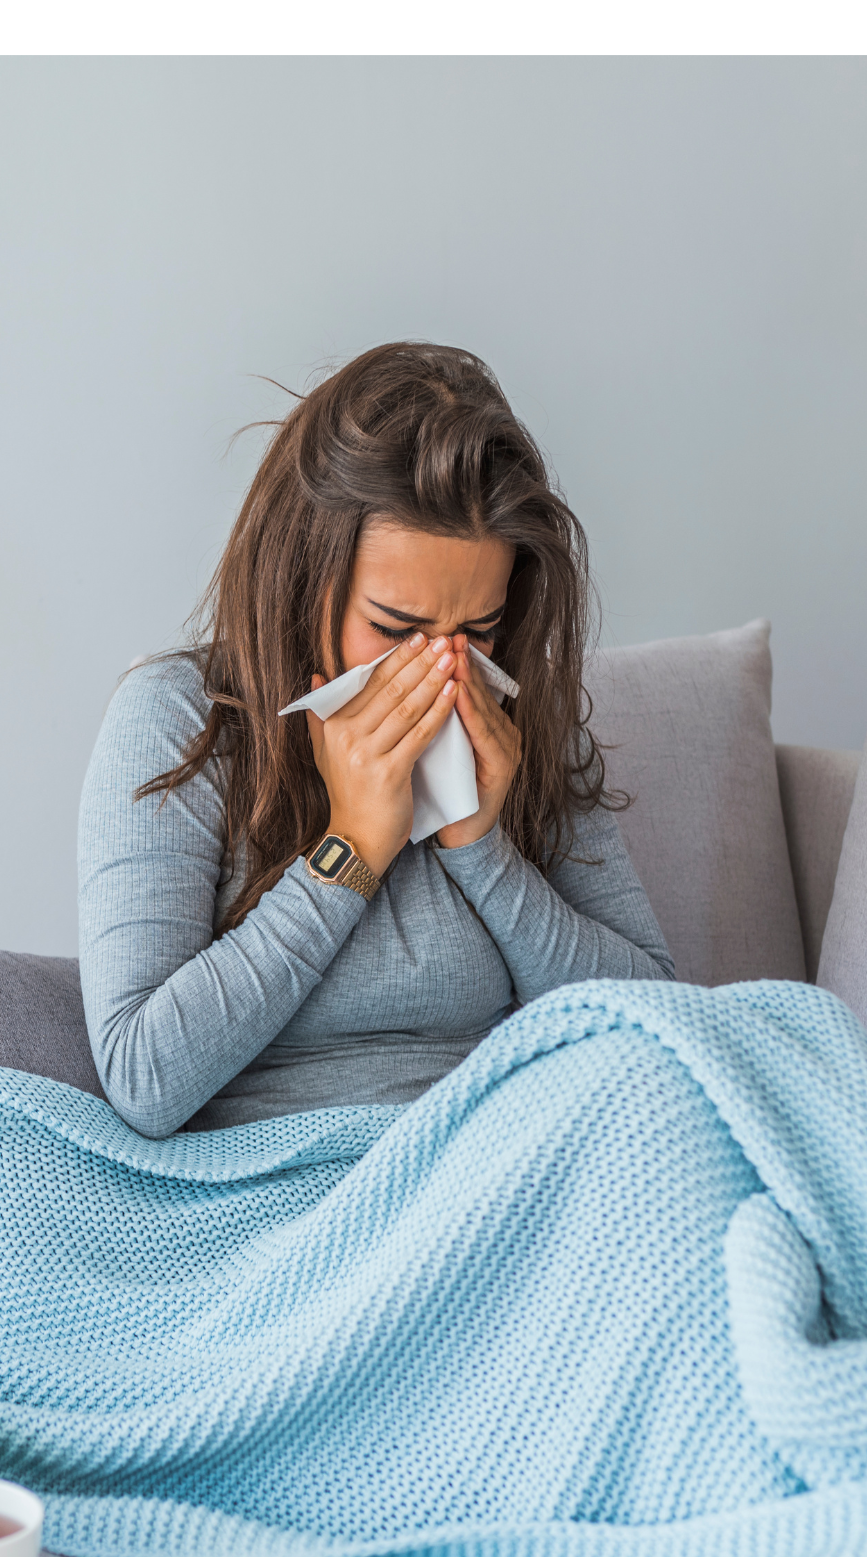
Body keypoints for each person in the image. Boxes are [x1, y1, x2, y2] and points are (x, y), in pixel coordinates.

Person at [78, 341, 674, 1139]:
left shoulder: (516, 727)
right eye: (396, 627)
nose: (439, 669)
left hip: (504, 1150)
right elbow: (144, 1077)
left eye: (478, 630)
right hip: (285, 1184)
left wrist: (483, 850)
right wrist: (351, 848)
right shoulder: (179, 719)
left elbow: (660, 1020)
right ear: (300, 578)